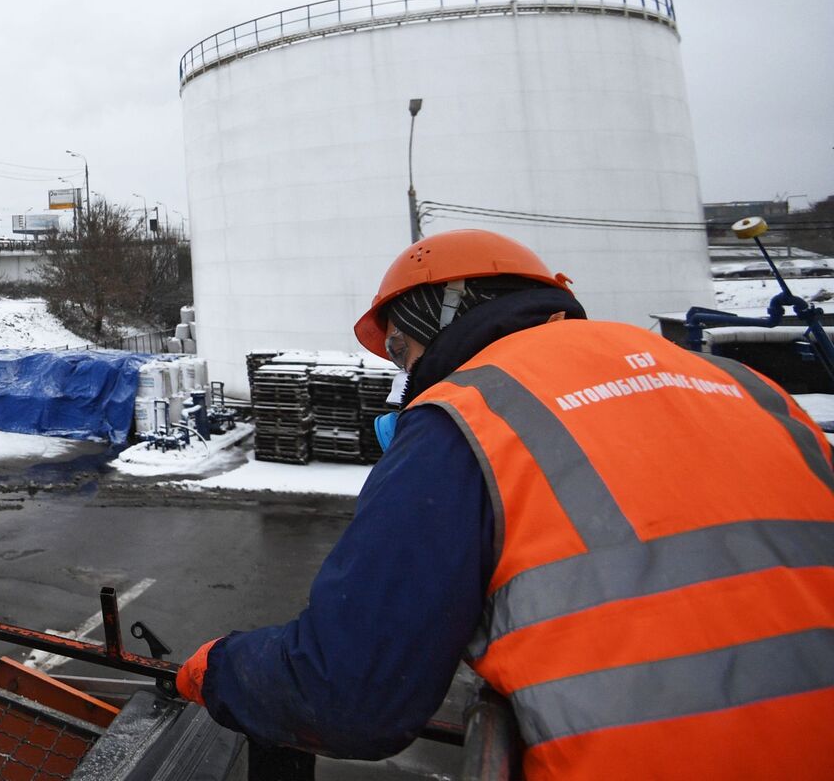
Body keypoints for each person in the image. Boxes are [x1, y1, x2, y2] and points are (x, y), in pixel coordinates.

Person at [172, 229, 834, 779]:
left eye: (403, 353)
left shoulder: (468, 414)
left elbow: (349, 692)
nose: (407, 383)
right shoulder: (748, 387)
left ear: (448, 312)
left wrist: (218, 667)